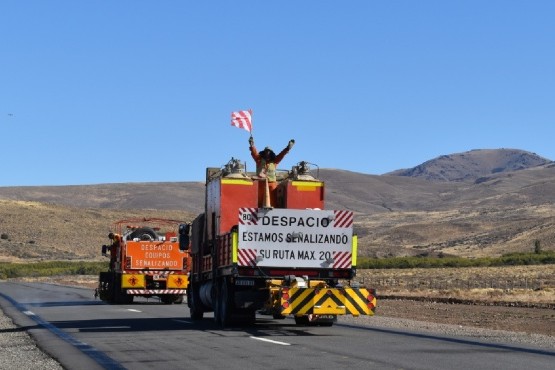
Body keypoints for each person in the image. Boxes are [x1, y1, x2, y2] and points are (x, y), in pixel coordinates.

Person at [249, 136, 295, 207]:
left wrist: (287, 148)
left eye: (269, 151)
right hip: (261, 183)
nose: (267, 153)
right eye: (266, 151)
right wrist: (252, 145)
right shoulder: (259, 160)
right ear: (264, 153)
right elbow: (255, 153)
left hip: (272, 184)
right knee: (259, 201)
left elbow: (281, 155)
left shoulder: (274, 162)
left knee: (273, 201)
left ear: (271, 153)